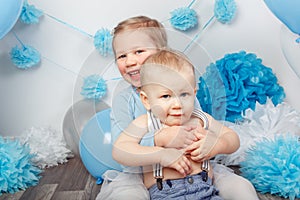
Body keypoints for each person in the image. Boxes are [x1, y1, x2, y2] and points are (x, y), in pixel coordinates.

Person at [96, 16, 258, 200]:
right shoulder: (126, 102)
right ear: (146, 100)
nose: (130, 61)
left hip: (201, 179)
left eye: (139, 51)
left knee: (240, 186)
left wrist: (214, 143)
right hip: (145, 173)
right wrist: (160, 141)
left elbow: (226, 136)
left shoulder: (187, 96)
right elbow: (121, 149)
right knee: (127, 195)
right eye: (122, 56)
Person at [113, 49, 240, 199]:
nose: (177, 104)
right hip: (167, 193)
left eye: (184, 94)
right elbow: (120, 151)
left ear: (194, 93)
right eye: (166, 96)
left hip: (207, 190)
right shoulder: (146, 122)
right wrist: (161, 154)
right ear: (146, 100)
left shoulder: (200, 118)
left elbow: (233, 138)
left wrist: (217, 144)